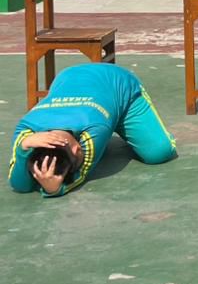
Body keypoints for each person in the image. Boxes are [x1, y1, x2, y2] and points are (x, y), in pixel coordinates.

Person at [8, 63, 176, 198]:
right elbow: (19, 186)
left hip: (117, 82)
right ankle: (111, 117)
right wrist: (23, 148)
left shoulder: (95, 128)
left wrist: (54, 190)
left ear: (77, 148)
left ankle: (119, 117)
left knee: (159, 152)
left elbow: (81, 174)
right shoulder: (27, 131)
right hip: (69, 79)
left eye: (78, 158)